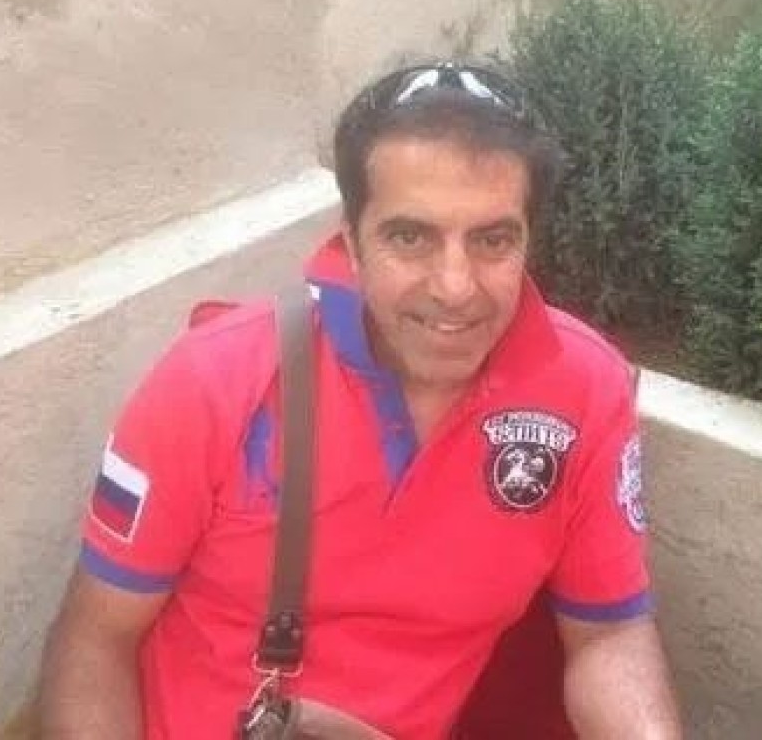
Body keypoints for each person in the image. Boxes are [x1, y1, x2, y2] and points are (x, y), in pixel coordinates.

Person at [39, 61, 683, 739]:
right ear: (352, 243)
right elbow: (96, 637)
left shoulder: (584, 392)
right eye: (410, 236)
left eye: (493, 240)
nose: (455, 286)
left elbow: (608, 634)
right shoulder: (214, 381)